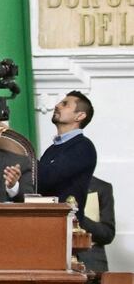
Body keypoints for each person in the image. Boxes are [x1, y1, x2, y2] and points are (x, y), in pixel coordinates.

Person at [38, 91, 97, 220]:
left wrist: (20, 148)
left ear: (79, 116)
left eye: (65, 104)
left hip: (65, 225)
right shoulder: (51, 149)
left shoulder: (83, 146)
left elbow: (47, 178)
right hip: (45, 221)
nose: (57, 106)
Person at [76, 176, 114, 273]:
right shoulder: (48, 185)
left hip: (92, 265)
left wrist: (79, 218)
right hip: (55, 263)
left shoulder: (101, 187)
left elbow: (108, 234)